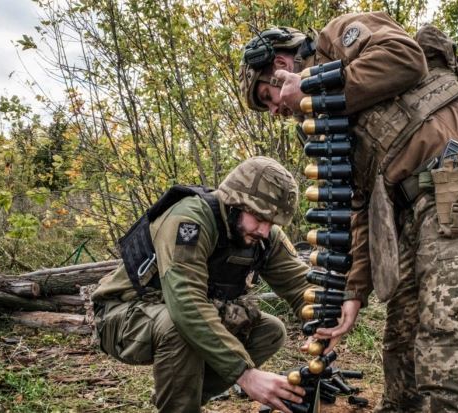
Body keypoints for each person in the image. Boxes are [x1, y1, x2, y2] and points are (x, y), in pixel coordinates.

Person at [239, 12, 458, 413]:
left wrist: (310, 85)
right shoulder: (331, 120)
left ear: (281, 67)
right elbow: (359, 207)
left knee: (451, 352)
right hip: (406, 217)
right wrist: (352, 294)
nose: (277, 111)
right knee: (401, 347)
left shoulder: (336, 37)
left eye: (268, 98)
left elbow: (405, 58)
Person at [92, 156, 310, 413]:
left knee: (269, 331)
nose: (264, 230)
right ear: (234, 202)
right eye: (259, 218)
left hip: (174, 314)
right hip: (122, 314)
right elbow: (187, 305)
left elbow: (300, 285)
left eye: (272, 222)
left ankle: (183, 398)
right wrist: (246, 374)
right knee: (179, 327)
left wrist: (325, 322)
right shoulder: (190, 220)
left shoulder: (263, 236)